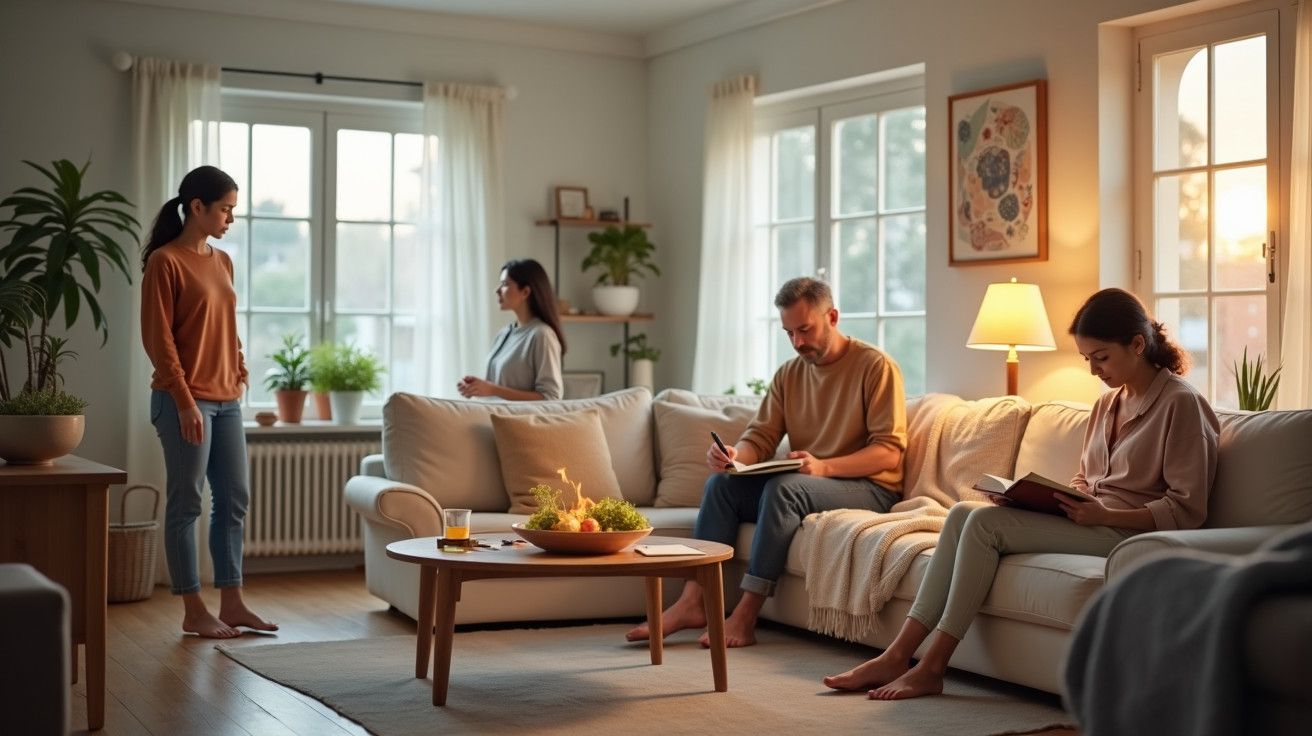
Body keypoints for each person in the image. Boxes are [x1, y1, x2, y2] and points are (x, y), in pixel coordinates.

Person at [823, 287, 1219, 699]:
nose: (1093, 371)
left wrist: (1107, 516)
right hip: (1090, 520)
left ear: (1137, 344)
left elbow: (1186, 510)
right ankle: (896, 655)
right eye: (1087, 360)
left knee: (983, 525)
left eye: (1101, 358)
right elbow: (1086, 480)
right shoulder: (1107, 404)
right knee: (962, 512)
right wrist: (1042, 500)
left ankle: (932, 666)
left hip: (1128, 534)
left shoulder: (1182, 405)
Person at [626, 277, 907, 648]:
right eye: (789, 332)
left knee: (783, 489)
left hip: (871, 487)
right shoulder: (790, 374)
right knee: (722, 485)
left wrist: (825, 466)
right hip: (813, 481)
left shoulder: (876, 367)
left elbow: (889, 451)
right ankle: (692, 601)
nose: (797, 342)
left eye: (805, 329)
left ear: (833, 316)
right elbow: (760, 437)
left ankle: (745, 614)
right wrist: (734, 456)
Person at [141, 165, 277, 640]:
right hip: (184, 401)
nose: (230, 219)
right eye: (225, 209)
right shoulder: (166, 261)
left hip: (226, 400)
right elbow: (158, 340)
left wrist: (238, 366)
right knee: (186, 505)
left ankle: (233, 603)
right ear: (196, 207)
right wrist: (183, 400)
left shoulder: (222, 261)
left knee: (234, 498)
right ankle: (194, 609)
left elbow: (226, 326)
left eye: (233, 210)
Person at [457, 258, 565, 401]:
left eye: (504, 284)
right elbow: (496, 389)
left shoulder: (542, 335)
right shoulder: (504, 333)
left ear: (525, 292)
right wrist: (477, 387)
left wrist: (492, 389)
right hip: (491, 419)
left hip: (518, 423)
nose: (497, 290)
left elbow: (550, 397)